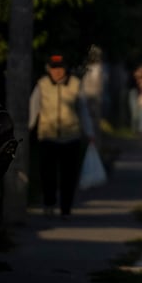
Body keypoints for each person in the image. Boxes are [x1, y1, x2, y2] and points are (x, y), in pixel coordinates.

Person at [28, 53, 94, 218]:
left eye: (60, 68)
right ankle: (49, 204)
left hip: (70, 137)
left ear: (66, 68)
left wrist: (89, 132)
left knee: (68, 176)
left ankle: (66, 208)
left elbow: (83, 110)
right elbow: (34, 108)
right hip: (47, 136)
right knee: (47, 174)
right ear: (49, 69)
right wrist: (28, 129)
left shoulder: (75, 84)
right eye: (54, 68)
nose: (57, 71)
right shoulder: (41, 85)